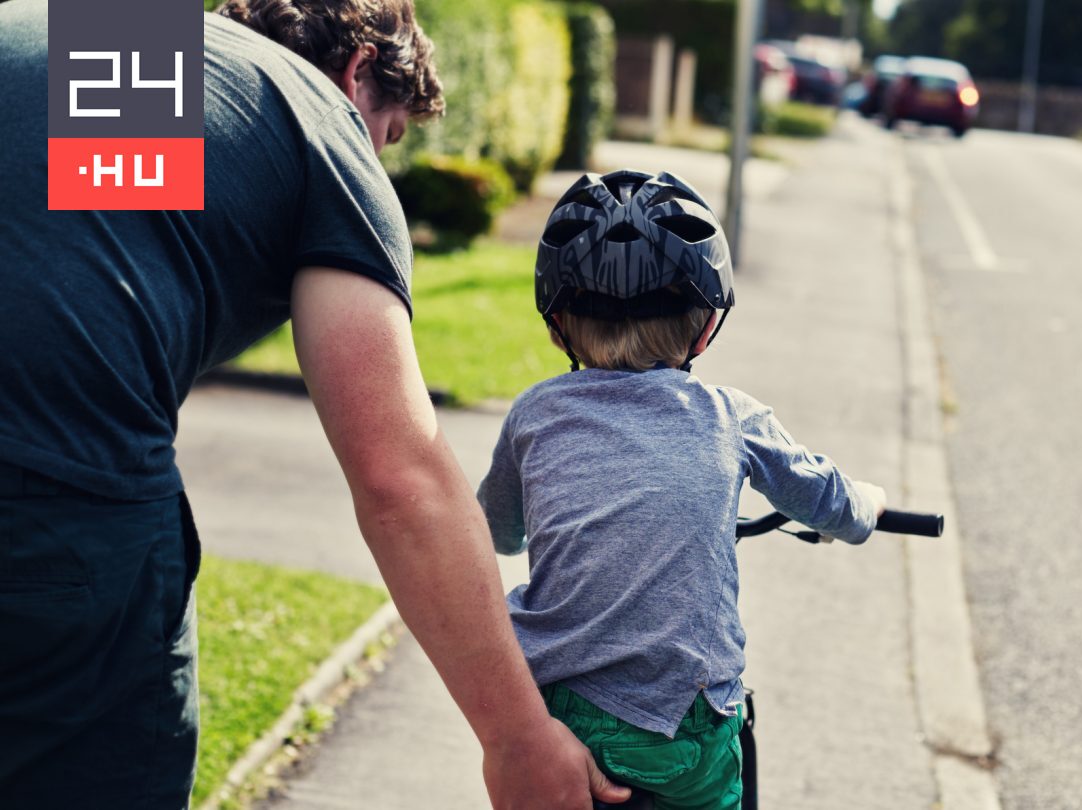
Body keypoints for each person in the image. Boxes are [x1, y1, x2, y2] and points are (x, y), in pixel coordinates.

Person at [0, 0, 628, 806]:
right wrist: (518, 739)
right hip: (53, 511)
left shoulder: (120, 45)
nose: (378, 162)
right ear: (359, 71)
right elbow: (399, 479)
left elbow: (71, 263)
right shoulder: (318, 124)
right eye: (389, 135)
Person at [477, 169, 888, 808]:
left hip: (558, 708)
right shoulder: (729, 417)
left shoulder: (534, 415)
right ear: (706, 327)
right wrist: (868, 502)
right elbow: (833, 504)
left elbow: (497, 533)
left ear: (556, 325)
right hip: (682, 727)